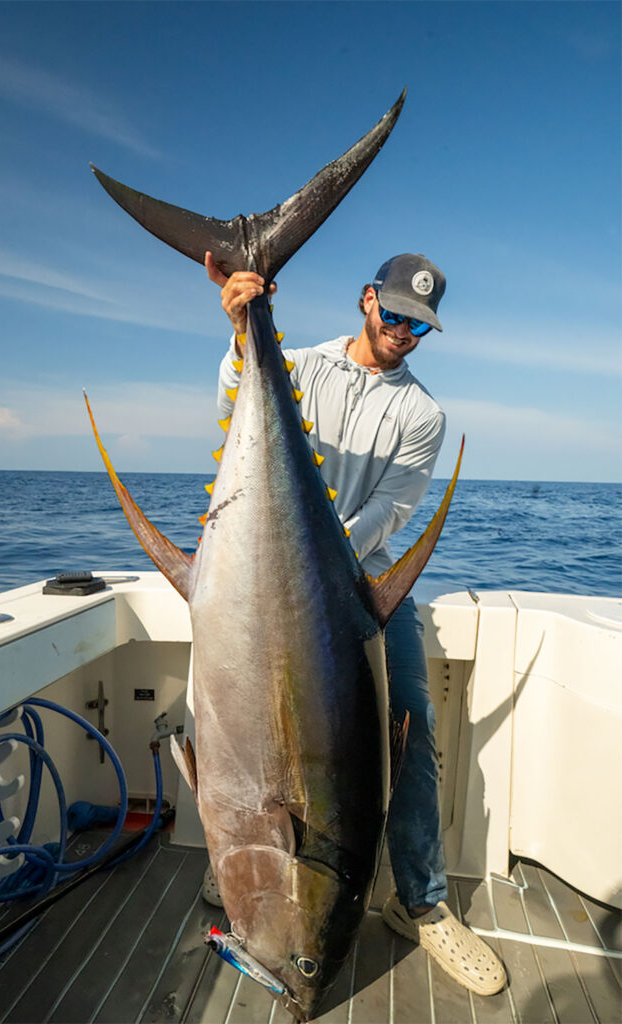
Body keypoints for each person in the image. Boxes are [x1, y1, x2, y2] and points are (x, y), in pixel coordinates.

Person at [203, 251, 507, 997]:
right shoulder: (300, 364)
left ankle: (422, 900)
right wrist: (244, 328)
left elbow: (391, 511)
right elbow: (232, 405)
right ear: (368, 299)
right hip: (260, 569)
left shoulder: (422, 414)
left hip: (358, 580)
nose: (403, 331)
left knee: (412, 719)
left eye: (419, 325)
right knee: (217, 707)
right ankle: (237, 862)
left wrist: (317, 565)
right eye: (395, 313)